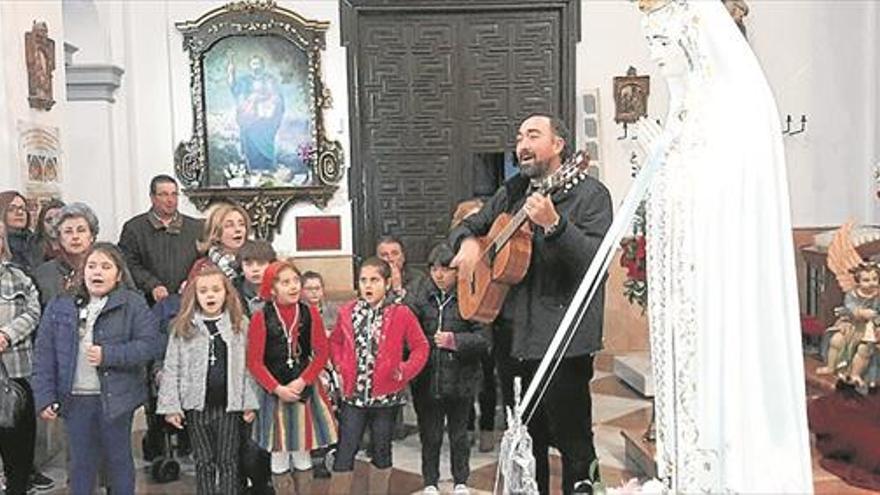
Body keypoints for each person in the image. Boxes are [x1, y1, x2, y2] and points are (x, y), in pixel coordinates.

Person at [637, 0, 811, 492]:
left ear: (692, 39)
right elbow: (676, 190)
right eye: (648, 40)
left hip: (716, 280)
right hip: (688, 277)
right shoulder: (683, 111)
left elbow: (721, 196)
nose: (653, 52)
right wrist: (661, 164)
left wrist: (672, 167)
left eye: (660, 40)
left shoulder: (735, 112)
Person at [449, 113, 612, 494]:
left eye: (533, 135)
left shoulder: (590, 195)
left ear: (558, 146)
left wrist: (556, 226)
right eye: (519, 136)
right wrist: (468, 243)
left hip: (563, 345)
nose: (521, 143)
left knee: (574, 444)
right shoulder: (512, 192)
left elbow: (595, 265)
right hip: (511, 340)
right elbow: (464, 228)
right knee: (525, 444)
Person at [32, 243, 162, 495]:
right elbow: (44, 354)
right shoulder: (61, 305)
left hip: (117, 399)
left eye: (106, 266)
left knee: (118, 461)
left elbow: (149, 346)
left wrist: (109, 355)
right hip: (76, 399)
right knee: (80, 464)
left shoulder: (132, 304)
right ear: (83, 272)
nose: (97, 272)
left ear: (118, 274)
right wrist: (44, 396)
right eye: (92, 266)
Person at [328, 257, 429, 495]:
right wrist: (341, 365)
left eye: (374, 280)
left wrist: (404, 371)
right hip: (353, 397)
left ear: (386, 283)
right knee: (346, 449)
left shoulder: (401, 313)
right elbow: (335, 342)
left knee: (382, 450)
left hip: (386, 399)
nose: (368, 286)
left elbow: (421, 346)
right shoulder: (348, 312)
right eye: (363, 280)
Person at [157, 261, 259, 494]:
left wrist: (249, 403)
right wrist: (171, 406)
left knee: (228, 460)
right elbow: (172, 366)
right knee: (203, 461)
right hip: (197, 407)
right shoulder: (183, 327)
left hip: (228, 406)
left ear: (226, 293)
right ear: (195, 295)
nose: (210, 295)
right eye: (203, 291)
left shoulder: (239, 324)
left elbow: (249, 368)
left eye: (216, 290)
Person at [246, 260, 338, 494]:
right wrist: (277, 389)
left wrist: (302, 380)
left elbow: (321, 353)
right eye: (285, 282)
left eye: (296, 281)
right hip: (274, 392)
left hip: (303, 389)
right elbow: (254, 362)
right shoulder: (260, 317)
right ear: (272, 287)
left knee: (303, 449)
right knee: (279, 451)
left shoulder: (309, 313)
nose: (293, 286)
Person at [410, 243, 487, 495]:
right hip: (427, 379)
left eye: (446, 269)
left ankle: (460, 481)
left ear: (458, 270)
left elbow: (485, 339)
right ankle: (430, 481)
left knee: (459, 436)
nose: (439, 274)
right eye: (434, 268)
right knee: (430, 436)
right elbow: (407, 331)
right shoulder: (420, 295)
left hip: (461, 380)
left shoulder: (469, 295)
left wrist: (455, 341)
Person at [452, 199, 499, 453]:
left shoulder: (494, 247)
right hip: (462, 319)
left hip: (488, 320)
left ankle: (488, 429)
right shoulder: (456, 249)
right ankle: (467, 426)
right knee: (466, 379)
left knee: (489, 379)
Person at [0, 220, 41, 495]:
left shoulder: (19, 277)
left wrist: (6, 334)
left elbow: (34, 311)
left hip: (16, 370)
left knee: (19, 449)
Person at [118, 175, 202, 306]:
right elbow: (128, 263)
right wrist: (152, 285)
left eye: (174, 194)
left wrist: (192, 281)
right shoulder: (134, 228)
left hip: (190, 303)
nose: (170, 200)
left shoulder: (195, 228)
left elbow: (203, 261)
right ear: (152, 197)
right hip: (148, 304)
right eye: (163, 194)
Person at [32, 203, 99, 307]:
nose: (75, 237)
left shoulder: (106, 268)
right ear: (59, 237)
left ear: (92, 236)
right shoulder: (43, 275)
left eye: (81, 230)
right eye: (68, 231)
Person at [228, 54, 285, 173]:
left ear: (262, 66)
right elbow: (235, 89)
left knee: (266, 142)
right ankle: (252, 168)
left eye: (258, 63)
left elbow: (277, 98)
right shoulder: (245, 80)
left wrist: (265, 101)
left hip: (266, 121)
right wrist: (231, 73)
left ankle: (267, 168)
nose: (256, 67)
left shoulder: (269, 80)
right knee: (250, 142)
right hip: (250, 119)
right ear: (250, 66)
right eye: (254, 64)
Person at [197, 203, 250, 286]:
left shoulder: (257, 260)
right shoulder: (203, 266)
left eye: (242, 224)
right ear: (216, 234)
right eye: (229, 225)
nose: (238, 229)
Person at [376, 235, 425, 304]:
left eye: (395, 254)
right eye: (384, 255)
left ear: (403, 257)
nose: (390, 259)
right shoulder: (371, 279)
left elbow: (417, 309)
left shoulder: (419, 279)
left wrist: (398, 288)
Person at [0, 191, 39, 272]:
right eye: (11, 209)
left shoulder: (36, 241)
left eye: (23, 208)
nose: (19, 213)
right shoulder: (3, 243)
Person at [238, 239, 277, 315]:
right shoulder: (233, 293)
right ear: (241, 267)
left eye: (261, 263)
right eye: (248, 264)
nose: (255, 269)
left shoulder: (280, 290)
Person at [32, 198, 66, 264]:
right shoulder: (33, 250)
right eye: (49, 220)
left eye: (59, 219)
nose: (54, 224)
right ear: (42, 225)